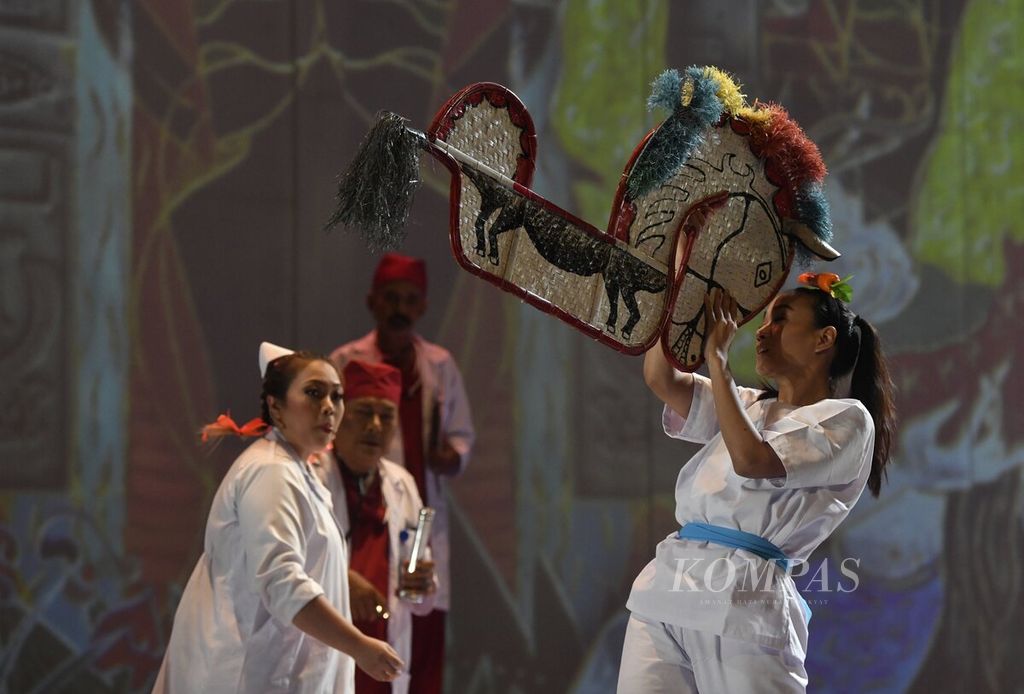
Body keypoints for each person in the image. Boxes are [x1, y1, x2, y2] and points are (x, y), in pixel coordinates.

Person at [617, 275, 896, 693]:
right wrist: (680, 289)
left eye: (781, 319)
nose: (763, 331)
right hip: (667, 587)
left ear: (825, 339)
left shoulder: (849, 419)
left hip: (745, 601)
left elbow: (752, 460)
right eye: (763, 321)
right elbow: (662, 377)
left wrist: (718, 359)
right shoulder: (747, 403)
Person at [153, 342, 404, 693]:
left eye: (337, 396)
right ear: (276, 406)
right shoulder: (271, 472)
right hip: (254, 676)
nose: (329, 408)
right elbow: (282, 582)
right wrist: (359, 646)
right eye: (314, 393)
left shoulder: (297, 471)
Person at [331, 253, 474, 694]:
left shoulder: (440, 365)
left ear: (422, 307)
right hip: (358, 515)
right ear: (372, 302)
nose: (399, 308)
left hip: (417, 516)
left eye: (409, 300)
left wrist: (444, 456)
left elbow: (463, 439)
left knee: (420, 641)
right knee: (351, 638)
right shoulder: (345, 361)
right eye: (391, 298)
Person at [316, 359, 437, 694]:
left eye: (386, 415)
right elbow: (285, 568)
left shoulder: (402, 484)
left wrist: (425, 582)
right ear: (339, 414)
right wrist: (340, 581)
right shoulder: (309, 475)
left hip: (382, 662)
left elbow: (422, 598)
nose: (375, 425)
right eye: (364, 411)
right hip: (323, 653)